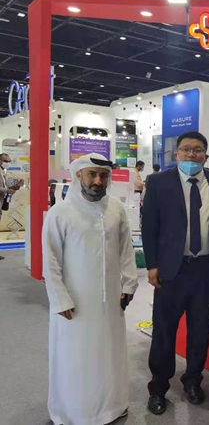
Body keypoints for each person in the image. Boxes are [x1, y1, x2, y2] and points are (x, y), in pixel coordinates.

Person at [42, 153, 138, 425]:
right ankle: (74, 412)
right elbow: (50, 260)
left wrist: (129, 283)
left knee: (109, 354)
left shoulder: (115, 208)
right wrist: (60, 299)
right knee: (76, 356)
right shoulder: (61, 212)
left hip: (110, 301)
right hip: (75, 302)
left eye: (103, 176)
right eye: (92, 175)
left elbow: (126, 250)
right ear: (79, 176)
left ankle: (112, 407)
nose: (98, 181)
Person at [142, 131, 209, 415]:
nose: (192, 154)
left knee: (200, 332)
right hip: (171, 270)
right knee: (164, 332)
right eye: (186, 149)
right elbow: (149, 226)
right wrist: (152, 265)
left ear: (206, 154)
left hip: (206, 270)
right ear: (176, 153)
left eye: (197, 150)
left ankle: (193, 380)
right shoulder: (158, 182)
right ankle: (158, 387)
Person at [0, 153, 24, 261]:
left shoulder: (3, 173)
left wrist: (17, 186)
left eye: (9, 161)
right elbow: (4, 189)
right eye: (6, 161)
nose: (7, 163)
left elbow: (6, 188)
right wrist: (7, 190)